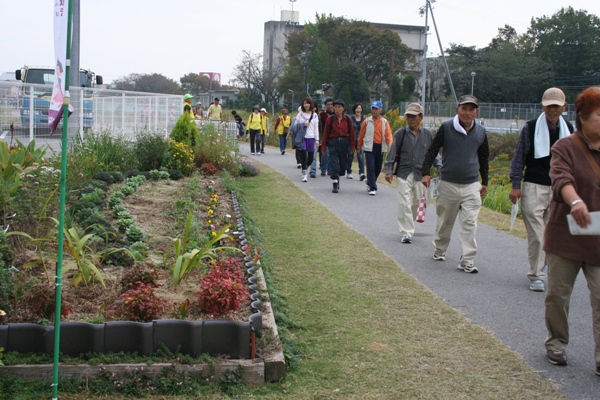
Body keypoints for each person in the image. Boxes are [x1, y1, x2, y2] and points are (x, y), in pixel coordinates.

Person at [542, 86, 600, 374]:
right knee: (558, 294)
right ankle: (556, 343)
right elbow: (560, 178)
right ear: (584, 116)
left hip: (598, 240)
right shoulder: (564, 147)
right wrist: (575, 201)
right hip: (566, 235)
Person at [509, 87, 574, 292]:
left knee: (554, 234)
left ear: (564, 106)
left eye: (556, 106)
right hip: (534, 185)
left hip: (560, 188)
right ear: (542, 107)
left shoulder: (570, 129)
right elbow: (519, 157)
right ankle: (536, 274)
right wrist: (515, 185)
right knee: (537, 234)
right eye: (548, 106)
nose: (552, 110)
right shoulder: (531, 127)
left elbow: (574, 162)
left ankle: (548, 269)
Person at [421, 95, 489, 273]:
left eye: (471, 109)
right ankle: (439, 249)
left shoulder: (481, 131)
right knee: (445, 222)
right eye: (464, 108)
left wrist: (485, 182)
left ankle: (467, 259)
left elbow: (483, 157)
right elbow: (432, 150)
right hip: (448, 184)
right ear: (457, 109)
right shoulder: (447, 128)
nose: (467, 113)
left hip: (471, 184)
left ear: (476, 112)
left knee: (469, 223)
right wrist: (426, 173)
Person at [385, 103, 440, 243]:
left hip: (421, 173)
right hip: (404, 173)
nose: (410, 119)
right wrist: (389, 170)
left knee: (416, 201)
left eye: (414, 116)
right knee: (404, 203)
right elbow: (392, 153)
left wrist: (440, 168)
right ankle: (406, 232)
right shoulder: (401, 133)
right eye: (408, 116)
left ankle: (409, 222)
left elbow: (434, 154)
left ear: (420, 117)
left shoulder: (427, 135)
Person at [357, 101, 393, 196]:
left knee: (378, 167)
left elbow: (388, 134)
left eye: (376, 109)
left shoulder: (384, 122)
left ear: (380, 110)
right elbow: (361, 135)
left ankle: (370, 181)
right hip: (369, 147)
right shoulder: (367, 121)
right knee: (371, 167)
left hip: (380, 147)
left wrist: (390, 143)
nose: (374, 111)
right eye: (373, 108)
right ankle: (373, 187)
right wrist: (359, 146)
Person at [321, 99, 355, 193]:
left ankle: (338, 176)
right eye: (335, 107)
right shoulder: (330, 119)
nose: (337, 109)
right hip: (333, 142)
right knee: (334, 162)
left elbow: (352, 133)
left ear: (343, 109)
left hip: (344, 143)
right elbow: (325, 133)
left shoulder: (348, 119)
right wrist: (323, 146)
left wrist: (352, 146)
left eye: (339, 107)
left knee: (343, 165)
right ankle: (335, 182)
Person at [295, 97, 320, 182]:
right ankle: (304, 174)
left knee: (311, 158)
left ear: (311, 104)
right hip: (302, 138)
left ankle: (305, 167)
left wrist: (317, 140)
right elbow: (295, 126)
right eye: (304, 103)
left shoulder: (315, 115)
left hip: (311, 138)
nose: (306, 105)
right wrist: (303, 124)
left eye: (308, 103)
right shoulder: (300, 114)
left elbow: (316, 128)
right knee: (303, 155)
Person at [317, 98, 335, 176]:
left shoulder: (337, 115)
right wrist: (320, 138)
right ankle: (323, 168)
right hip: (325, 136)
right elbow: (319, 126)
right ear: (326, 105)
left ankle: (330, 169)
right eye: (328, 104)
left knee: (332, 154)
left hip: (334, 137)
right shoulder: (322, 115)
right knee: (324, 153)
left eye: (331, 104)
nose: (330, 106)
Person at [350, 103, 366, 181]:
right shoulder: (351, 119)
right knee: (350, 156)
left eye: (359, 108)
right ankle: (349, 171)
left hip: (361, 141)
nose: (358, 110)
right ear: (354, 110)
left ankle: (362, 173)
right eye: (357, 108)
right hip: (352, 140)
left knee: (360, 156)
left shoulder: (364, 119)